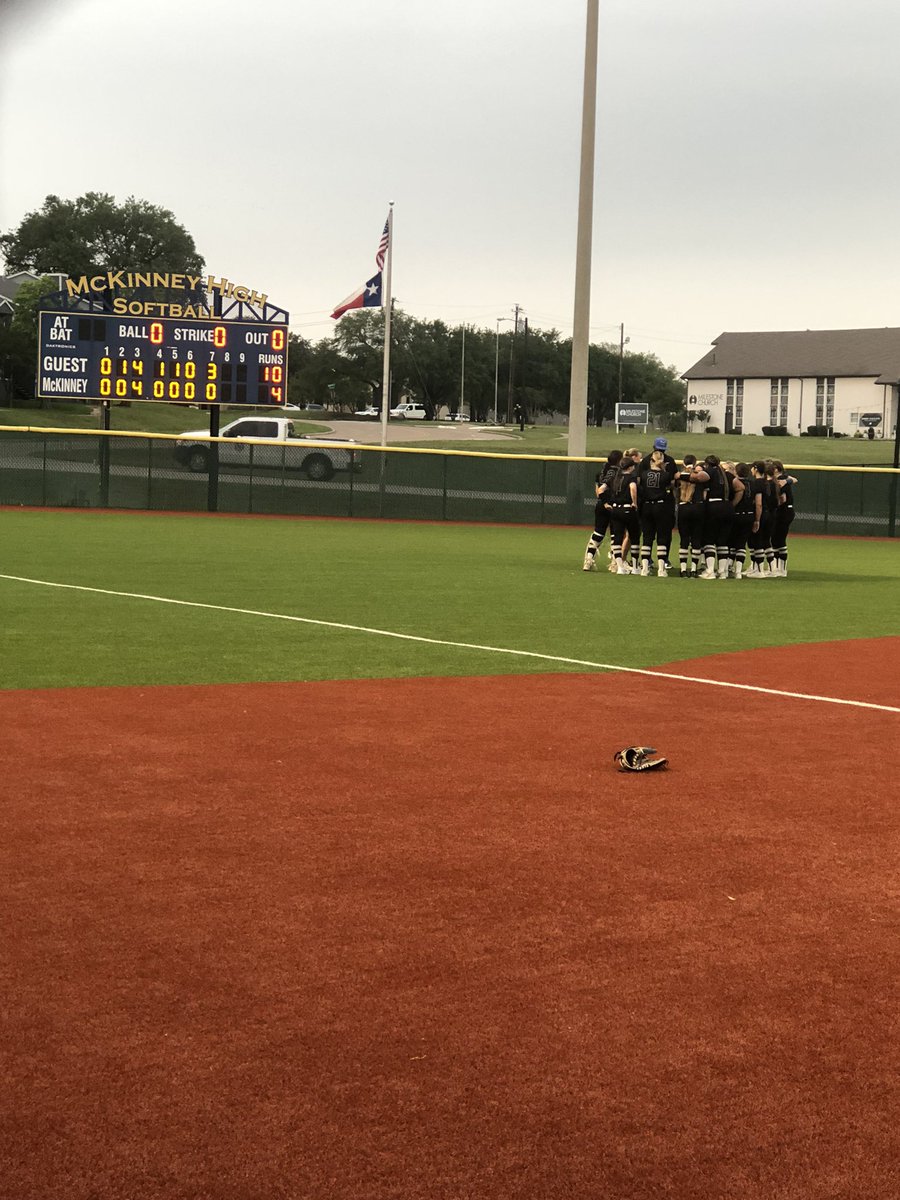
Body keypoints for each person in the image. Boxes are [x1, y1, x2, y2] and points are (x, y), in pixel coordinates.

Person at [695, 454, 738, 579]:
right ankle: (722, 572)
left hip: (714, 507)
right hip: (728, 507)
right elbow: (740, 487)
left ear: (707, 464)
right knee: (723, 541)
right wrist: (733, 503)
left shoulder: (710, 471)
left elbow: (700, 477)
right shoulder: (728, 475)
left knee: (709, 540)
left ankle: (710, 571)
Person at [637, 442, 676, 575]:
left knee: (647, 538)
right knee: (662, 537)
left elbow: (640, 485)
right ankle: (661, 568)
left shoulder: (644, 474)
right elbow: (671, 485)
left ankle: (644, 568)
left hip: (647, 505)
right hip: (661, 506)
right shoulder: (666, 475)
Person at [582, 450, 623, 571]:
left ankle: (588, 560)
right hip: (613, 505)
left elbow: (598, 492)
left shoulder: (600, 472)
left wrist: (603, 501)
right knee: (615, 536)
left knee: (598, 533)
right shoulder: (618, 472)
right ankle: (614, 564)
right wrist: (608, 502)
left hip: (600, 505)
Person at [605, 454, 640, 574]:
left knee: (617, 538)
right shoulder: (631, 477)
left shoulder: (615, 478)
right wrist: (634, 502)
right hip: (627, 509)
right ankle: (635, 567)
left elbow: (601, 489)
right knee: (634, 537)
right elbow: (633, 488)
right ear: (630, 467)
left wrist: (605, 502)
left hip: (615, 510)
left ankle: (619, 567)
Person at [675, 454, 705, 576]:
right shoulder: (698, 476)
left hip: (683, 507)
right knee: (696, 539)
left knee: (684, 539)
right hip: (697, 507)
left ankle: (683, 570)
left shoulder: (679, 475)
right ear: (695, 462)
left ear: (683, 463)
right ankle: (693, 569)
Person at [728, 462, 759, 579]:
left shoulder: (734, 483)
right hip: (749, 516)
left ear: (736, 472)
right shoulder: (753, 484)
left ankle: (728, 567)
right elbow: (757, 503)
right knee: (741, 544)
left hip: (736, 515)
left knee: (731, 542)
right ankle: (738, 571)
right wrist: (757, 519)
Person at [771, 459, 798, 576]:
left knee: (778, 540)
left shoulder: (781, 480)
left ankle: (780, 569)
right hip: (787, 511)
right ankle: (779, 568)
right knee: (778, 540)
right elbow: (793, 479)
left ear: (776, 469)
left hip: (783, 512)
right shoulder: (784, 479)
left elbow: (783, 499)